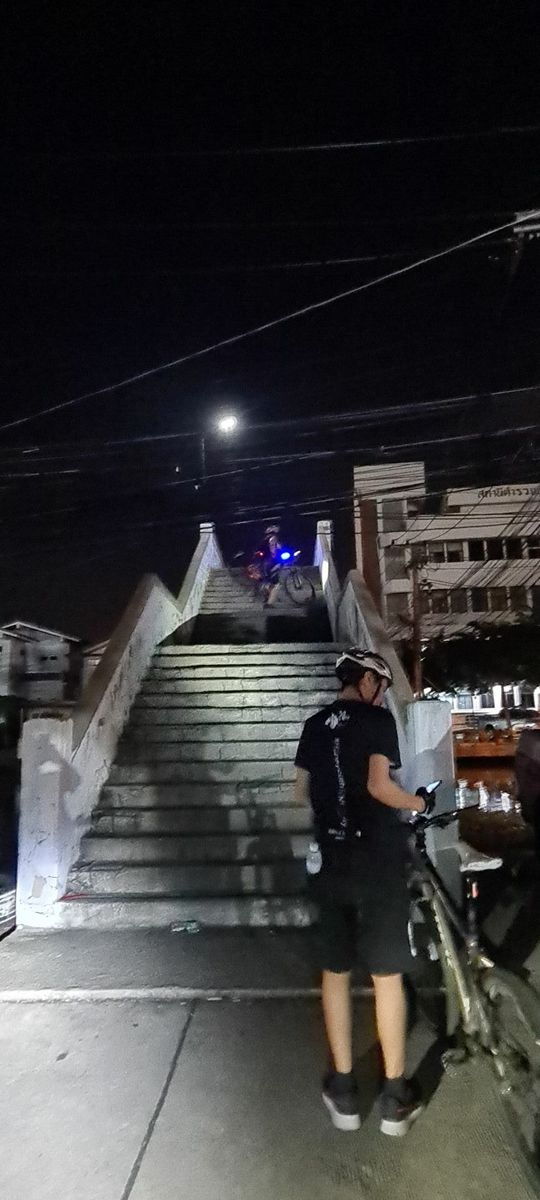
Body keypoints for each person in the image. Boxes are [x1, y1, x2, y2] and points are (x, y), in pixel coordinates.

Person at [294, 647, 434, 1136]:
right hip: (376, 860)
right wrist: (417, 802)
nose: (382, 693)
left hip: (330, 861)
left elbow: (299, 791)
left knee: (334, 971)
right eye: (382, 685)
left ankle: (345, 1091)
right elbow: (379, 786)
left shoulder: (314, 725)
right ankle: (394, 1097)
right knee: (386, 973)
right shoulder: (376, 721)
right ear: (370, 681)